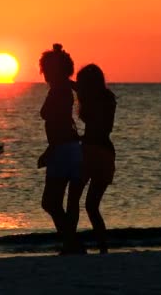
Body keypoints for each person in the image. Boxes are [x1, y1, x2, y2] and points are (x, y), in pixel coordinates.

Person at [37, 43, 84, 254]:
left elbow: (57, 124)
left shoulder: (59, 90)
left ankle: (72, 242)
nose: (44, 73)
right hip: (71, 148)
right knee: (67, 202)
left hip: (63, 149)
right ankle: (70, 244)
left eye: (46, 69)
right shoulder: (65, 87)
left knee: (50, 201)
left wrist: (49, 152)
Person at [72, 64, 116, 254]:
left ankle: (72, 243)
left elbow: (94, 128)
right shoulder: (108, 98)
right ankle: (103, 247)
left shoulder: (93, 100)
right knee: (92, 205)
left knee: (74, 200)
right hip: (106, 152)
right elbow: (103, 129)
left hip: (91, 152)